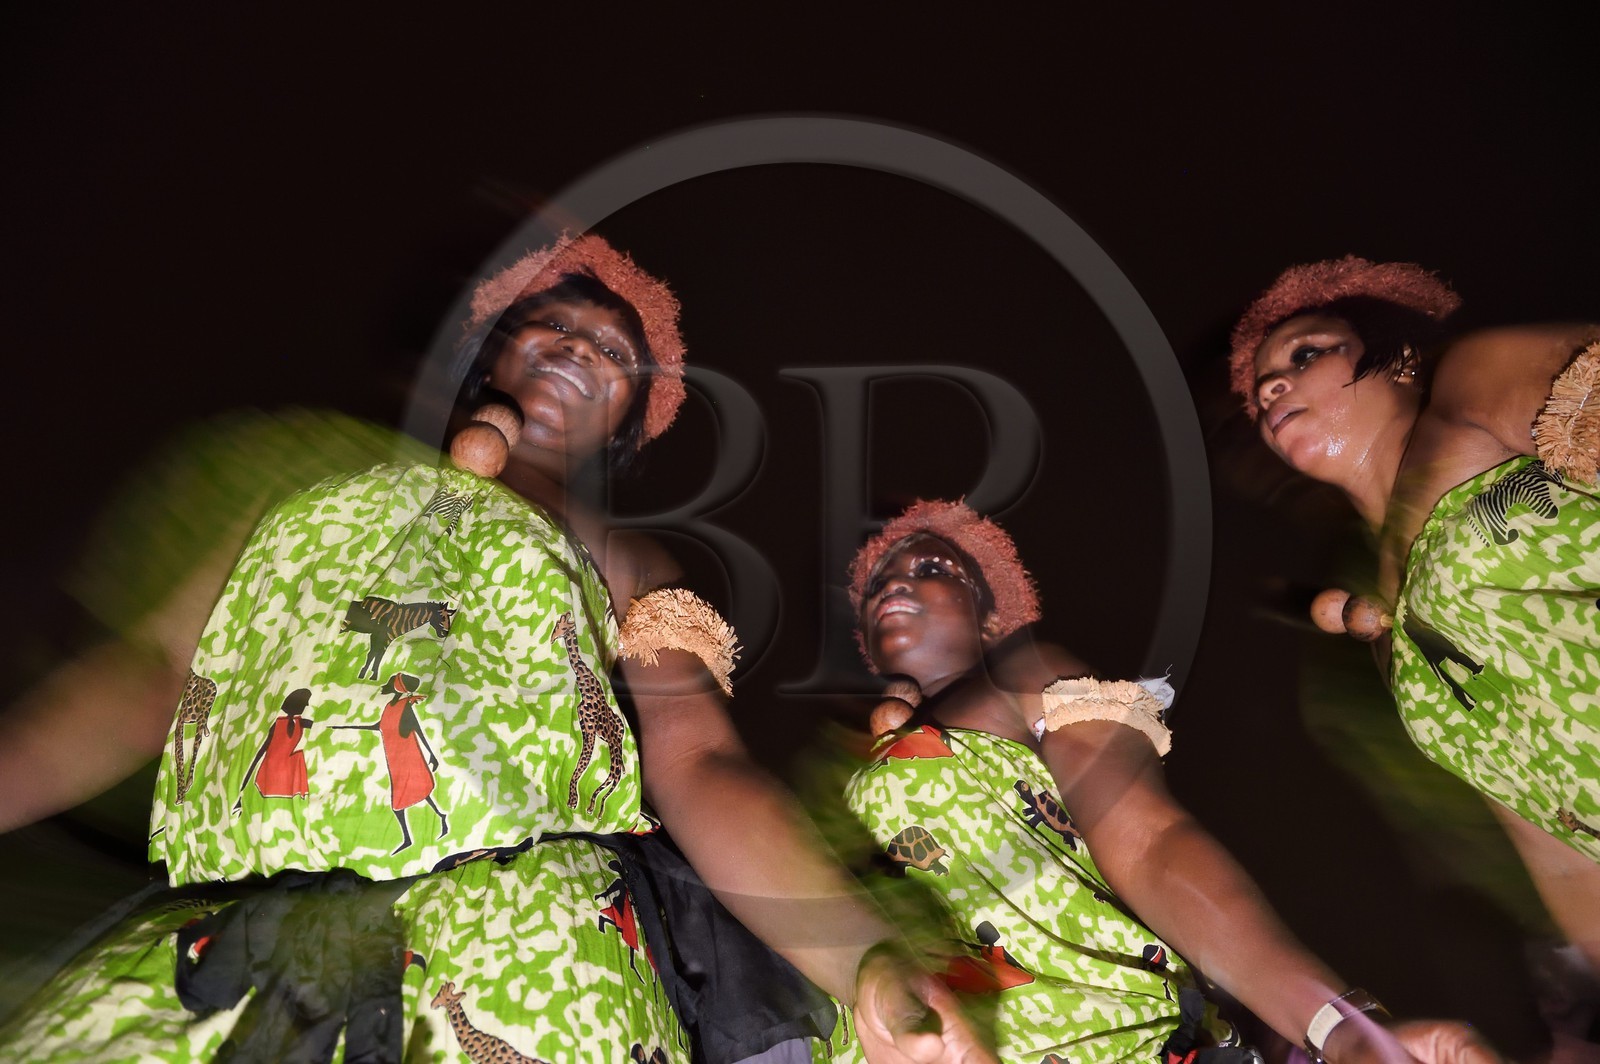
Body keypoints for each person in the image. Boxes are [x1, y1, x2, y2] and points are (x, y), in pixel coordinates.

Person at [0, 234, 988, 1064]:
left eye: (615, 349)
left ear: (632, 413)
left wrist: (861, 957)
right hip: (236, 935)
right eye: (551, 322)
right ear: (493, 351)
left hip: (527, 949)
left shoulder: (634, 563)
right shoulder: (315, 483)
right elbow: (153, 674)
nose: (579, 345)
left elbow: (699, 760)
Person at [842, 498, 1499, 1064]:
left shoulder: (1032, 677)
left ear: (989, 609)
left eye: (932, 568)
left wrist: (1342, 1027)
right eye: (879, 581)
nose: (895, 584)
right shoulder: (848, 764)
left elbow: (1151, 843)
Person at [1229, 256, 1600, 975]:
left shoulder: (1471, 389)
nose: (1269, 388)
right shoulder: (1389, 636)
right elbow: (1551, 845)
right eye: (1259, 389)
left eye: (1304, 355)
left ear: (1400, 358)